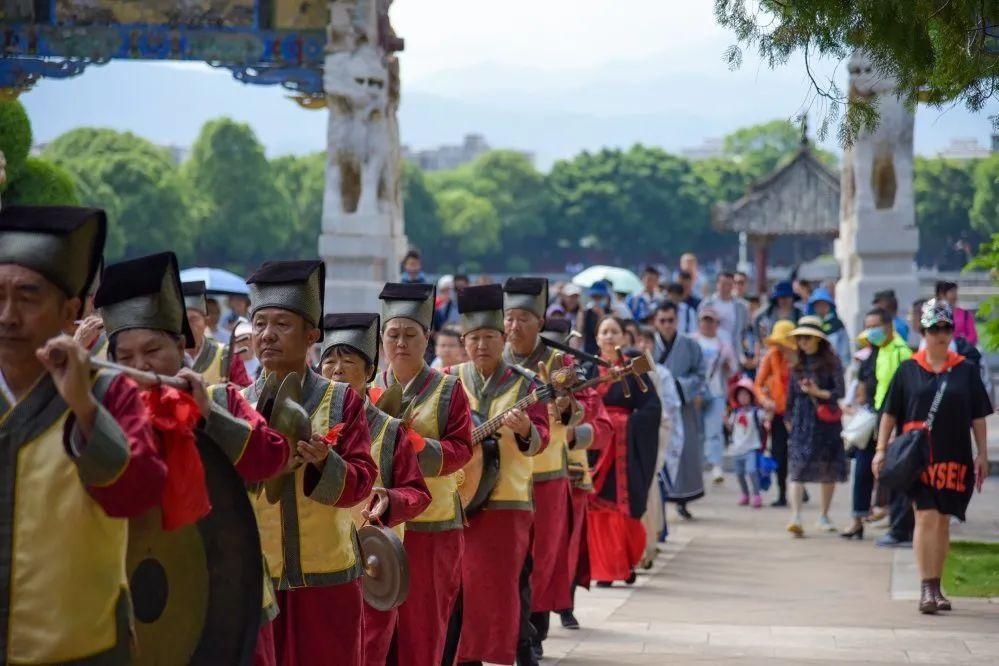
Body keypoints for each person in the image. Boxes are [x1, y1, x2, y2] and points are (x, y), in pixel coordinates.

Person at [97, 252, 294, 666]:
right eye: (125, 358)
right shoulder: (99, 413)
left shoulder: (222, 398)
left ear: (181, 346)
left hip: (229, 594)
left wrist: (209, 415)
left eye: (152, 350)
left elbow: (271, 458)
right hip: (130, 600)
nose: (140, 367)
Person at [0, 205, 167, 665]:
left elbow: (139, 493)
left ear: (71, 310)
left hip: (80, 649)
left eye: (28, 297)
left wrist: (84, 408)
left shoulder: (109, 391)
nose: (8, 316)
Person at [243, 260, 377, 666]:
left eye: (282, 324)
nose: (267, 335)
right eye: (260, 323)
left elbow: (363, 481)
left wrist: (325, 463)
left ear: (311, 335)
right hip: (258, 580)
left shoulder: (342, 401)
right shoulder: (237, 403)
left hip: (328, 578)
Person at [318, 313, 432, 664]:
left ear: (369, 372)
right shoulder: (308, 421)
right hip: (316, 559)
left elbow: (418, 493)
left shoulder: (390, 429)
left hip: (370, 560)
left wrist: (390, 498)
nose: (336, 370)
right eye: (329, 360)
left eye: (348, 360)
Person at [501, 278, 606, 654]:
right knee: (508, 560)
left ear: (541, 321)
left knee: (542, 555)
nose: (514, 327)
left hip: (547, 472)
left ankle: (534, 629)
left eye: (523, 318)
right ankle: (514, 630)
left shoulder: (558, 362)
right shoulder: (498, 358)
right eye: (509, 318)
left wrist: (564, 406)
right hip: (503, 474)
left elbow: (578, 411)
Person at [448, 284, 550, 666]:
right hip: (458, 497)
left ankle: (516, 652)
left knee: (504, 586)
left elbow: (541, 439)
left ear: (502, 338)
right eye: (473, 339)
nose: (481, 346)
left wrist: (524, 429)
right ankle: (465, 656)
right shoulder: (449, 379)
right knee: (462, 586)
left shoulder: (526, 383)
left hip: (507, 498)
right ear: (463, 341)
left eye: (489, 337)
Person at [375, 282, 473, 666]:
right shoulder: (369, 387)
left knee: (423, 624)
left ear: (426, 337)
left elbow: (462, 449)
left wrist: (415, 445)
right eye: (393, 334)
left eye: (410, 335)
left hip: (431, 526)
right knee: (381, 623)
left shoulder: (448, 389)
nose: (400, 343)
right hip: (380, 522)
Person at [874, 299, 991, 614]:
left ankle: (936, 586)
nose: (941, 334)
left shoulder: (965, 371)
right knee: (925, 516)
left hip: (955, 455)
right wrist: (881, 449)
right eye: (934, 329)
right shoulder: (908, 370)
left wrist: (982, 454)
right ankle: (925, 588)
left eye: (946, 328)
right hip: (919, 456)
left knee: (942, 521)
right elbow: (889, 413)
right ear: (923, 332)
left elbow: (978, 416)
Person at [588, 316, 661, 586]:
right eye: (603, 331)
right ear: (596, 338)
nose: (609, 336)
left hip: (624, 449)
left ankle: (625, 561)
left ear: (623, 337)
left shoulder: (633, 370)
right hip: (593, 447)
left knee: (626, 505)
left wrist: (623, 423)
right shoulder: (586, 369)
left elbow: (652, 408)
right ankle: (605, 568)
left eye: (614, 331)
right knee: (594, 506)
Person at [850, 308, 913, 546]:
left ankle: (899, 528)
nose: (870, 331)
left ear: (888, 326)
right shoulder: (877, 350)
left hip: (896, 420)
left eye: (874, 325)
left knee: (895, 472)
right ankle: (859, 519)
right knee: (864, 468)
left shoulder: (901, 352)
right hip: (876, 418)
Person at [785, 316, 847, 537]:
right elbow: (790, 397)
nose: (803, 341)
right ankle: (796, 516)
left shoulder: (832, 363)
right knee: (797, 469)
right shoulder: (797, 365)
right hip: (802, 421)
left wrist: (817, 392)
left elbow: (840, 392)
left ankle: (824, 514)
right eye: (800, 337)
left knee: (828, 468)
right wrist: (789, 419)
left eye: (807, 337)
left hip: (825, 422)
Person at [653, 302, 706, 519]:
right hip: (656, 407)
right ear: (656, 321)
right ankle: (659, 498)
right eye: (662, 320)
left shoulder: (690, 345)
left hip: (682, 406)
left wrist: (677, 385)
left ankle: (682, 498)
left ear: (677, 320)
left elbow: (700, 374)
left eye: (671, 320)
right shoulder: (648, 344)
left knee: (685, 451)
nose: (667, 325)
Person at [692, 306, 738, 483]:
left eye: (711, 320)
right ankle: (696, 465)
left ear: (716, 323)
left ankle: (716, 466)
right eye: (704, 320)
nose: (707, 324)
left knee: (714, 430)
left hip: (716, 390)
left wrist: (727, 366)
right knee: (697, 431)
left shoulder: (723, 345)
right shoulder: (692, 341)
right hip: (695, 391)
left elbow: (733, 369)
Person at [755, 320, 797, 507]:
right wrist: (765, 400)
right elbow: (758, 384)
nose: (779, 346)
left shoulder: (799, 358)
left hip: (797, 412)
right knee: (779, 452)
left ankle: (798, 487)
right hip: (778, 413)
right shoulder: (771, 356)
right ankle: (782, 493)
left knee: (798, 452)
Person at [183, 280, 252, 387]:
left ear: (206, 321)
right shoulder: (167, 355)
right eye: (182, 320)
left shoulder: (227, 354)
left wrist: (230, 391)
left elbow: (247, 393)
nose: (187, 326)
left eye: (193, 319)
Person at [727, 378, 765, 508]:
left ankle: (756, 494)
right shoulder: (736, 413)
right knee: (739, 473)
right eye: (740, 395)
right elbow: (731, 428)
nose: (743, 398)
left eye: (745, 395)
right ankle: (745, 494)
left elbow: (766, 420)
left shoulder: (756, 412)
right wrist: (725, 421)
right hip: (737, 448)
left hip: (751, 448)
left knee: (752, 471)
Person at [753, 281, 803, 359]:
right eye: (781, 297)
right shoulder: (769, 310)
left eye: (787, 297)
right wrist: (758, 342)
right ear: (776, 298)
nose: (784, 300)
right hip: (771, 352)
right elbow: (756, 319)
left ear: (792, 297)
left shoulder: (799, 314)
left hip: (792, 354)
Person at [700, 271, 749, 349]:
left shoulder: (741, 307)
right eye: (723, 284)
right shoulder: (707, 304)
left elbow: (744, 330)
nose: (726, 287)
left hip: (733, 350)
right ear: (717, 284)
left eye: (729, 284)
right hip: (710, 349)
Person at [807, 287, 851, 371]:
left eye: (823, 304)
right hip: (814, 366)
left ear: (829, 305)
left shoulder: (837, 323)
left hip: (834, 366)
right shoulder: (810, 323)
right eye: (817, 305)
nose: (820, 307)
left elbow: (844, 346)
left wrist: (843, 365)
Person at [935, 280, 978, 345]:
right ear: (941, 295)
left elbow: (973, 336)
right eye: (951, 291)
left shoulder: (965, 315)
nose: (954, 295)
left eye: (955, 291)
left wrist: (957, 344)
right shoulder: (933, 315)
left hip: (961, 352)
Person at [579, 280, 612, 355]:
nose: (597, 300)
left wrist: (601, 315)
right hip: (588, 352)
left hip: (606, 351)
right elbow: (580, 333)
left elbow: (609, 329)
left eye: (600, 297)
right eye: (594, 297)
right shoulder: (585, 313)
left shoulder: (611, 312)